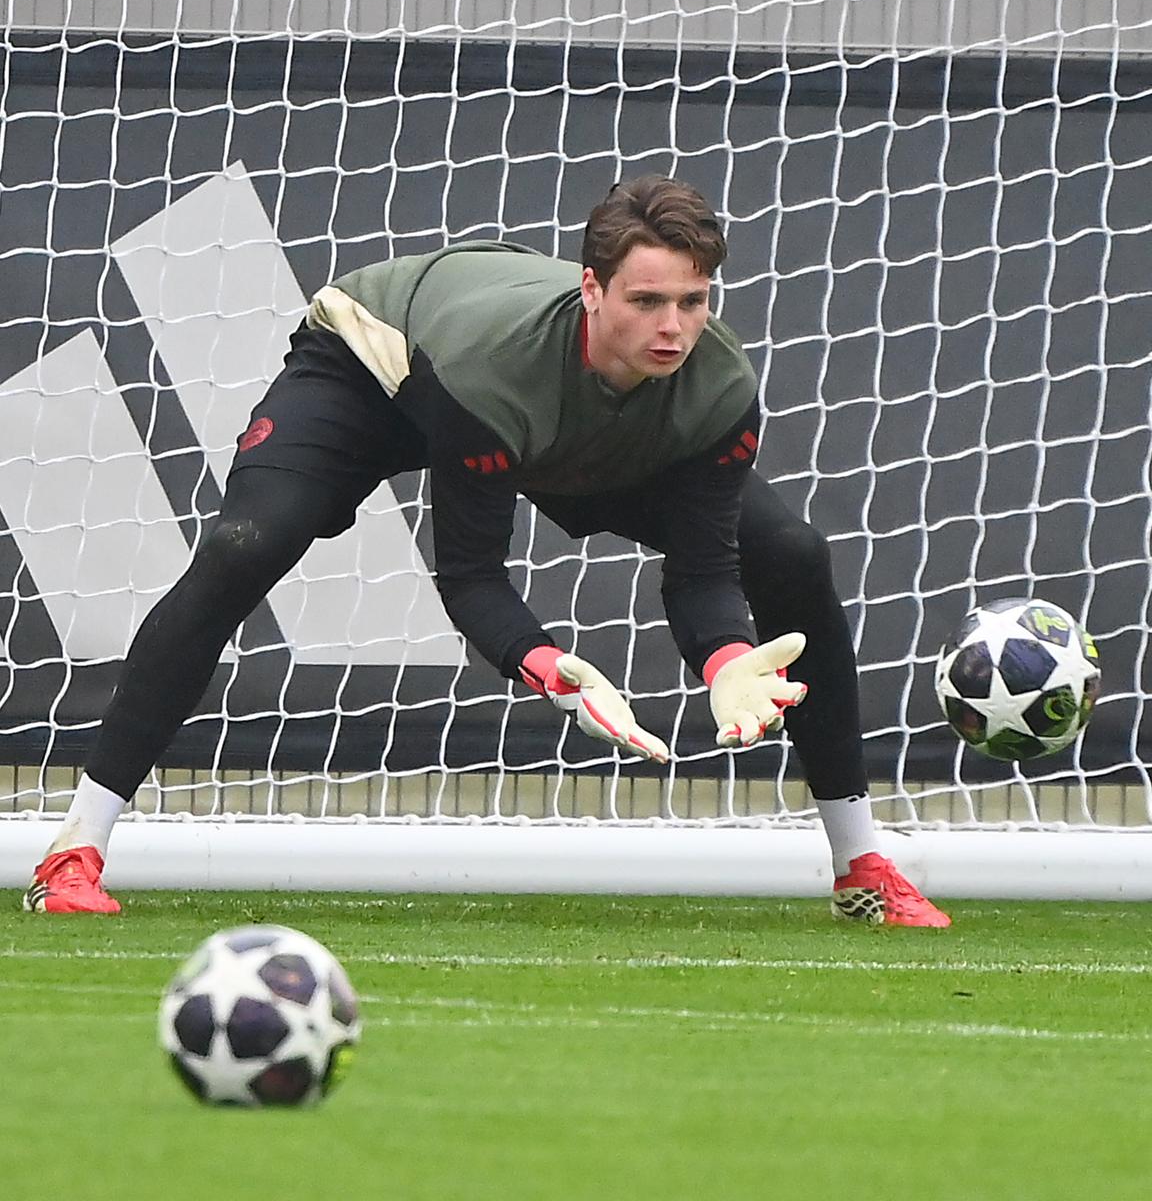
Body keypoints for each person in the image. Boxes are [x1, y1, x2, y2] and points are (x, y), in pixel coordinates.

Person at [23, 174, 949, 928]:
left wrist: (728, 659)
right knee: (241, 547)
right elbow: (468, 576)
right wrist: (551, 668)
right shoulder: (491, 375)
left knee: (792, 551)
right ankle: (76, 847)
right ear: (592, 291)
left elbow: (704, 573)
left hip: (561, 424)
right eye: (647, 300)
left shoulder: (715, 387)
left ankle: (861, 861)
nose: (674, 326)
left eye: (694, 302)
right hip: (379, 370)